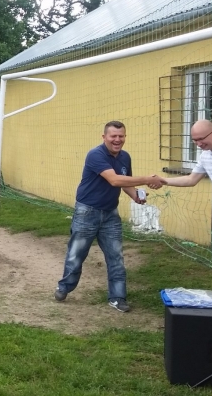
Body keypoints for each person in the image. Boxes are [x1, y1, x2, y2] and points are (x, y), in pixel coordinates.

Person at [54, 121, 165, 313]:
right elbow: (114, 179)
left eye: (121, 136)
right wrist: (147, 179)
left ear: (125, 137)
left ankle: (117, 298)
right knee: (76, 254)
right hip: (87, 212)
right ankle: (64, 287)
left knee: (116, 256)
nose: (117, 140)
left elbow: (124, 182)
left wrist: (136, 196)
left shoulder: (125, 157)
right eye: (113, 136)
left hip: (110, 214)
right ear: (104, 137)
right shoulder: (95, 155)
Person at [159, 119, 212, 280]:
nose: (199, 144)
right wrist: (164, 180)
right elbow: (191, 179)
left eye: (201, 139)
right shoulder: (205, 156)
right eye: (195, 140)